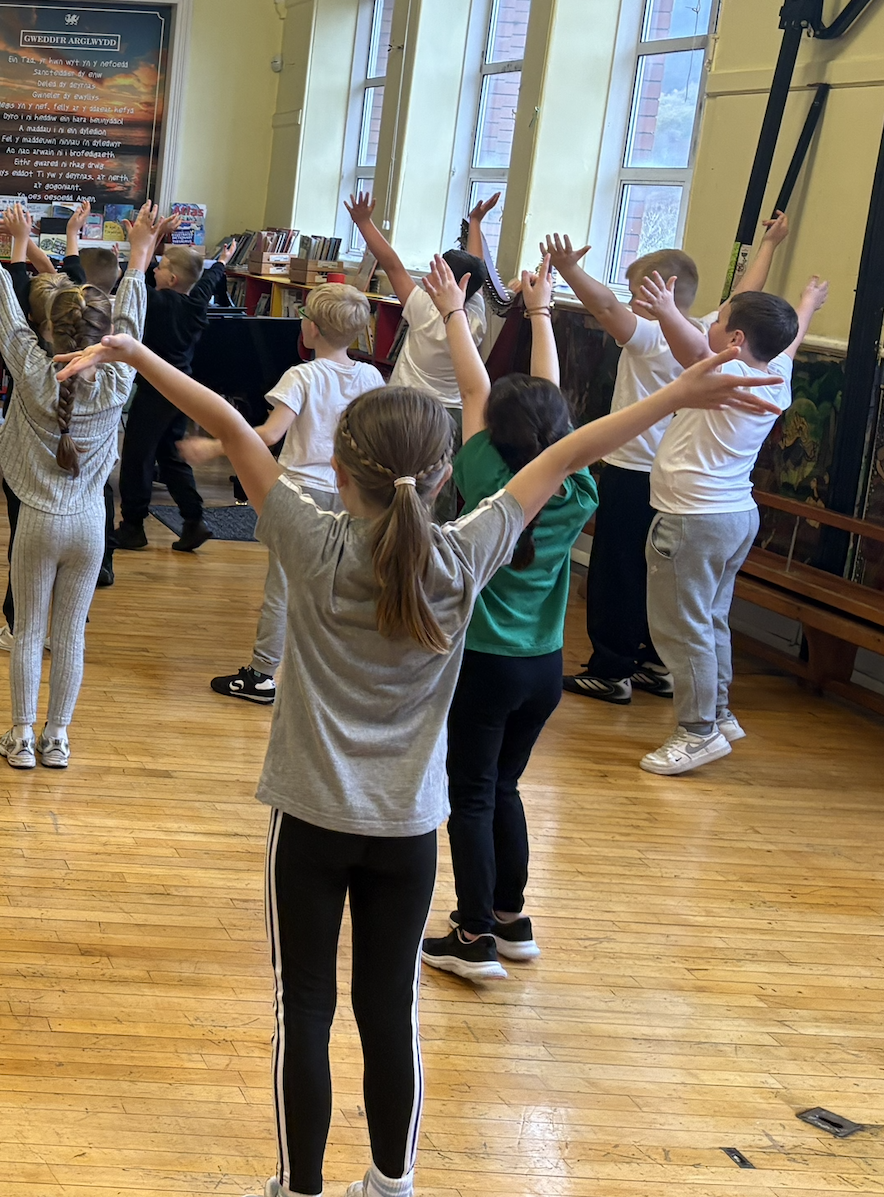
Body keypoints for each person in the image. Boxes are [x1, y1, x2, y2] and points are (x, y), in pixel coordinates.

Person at [54, 324, 780, 1197]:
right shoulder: (465, 551)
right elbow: (569, 451)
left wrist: (134, 355)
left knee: (305, 1014)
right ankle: (393, 1184)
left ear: (342, 471)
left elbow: (229, 423)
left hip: (311, 823)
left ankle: (300, 1190)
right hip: (406, 831)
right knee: (390, 1012)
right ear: (444, 474)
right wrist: (676, 394)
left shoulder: (309, 541)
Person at [416, 254, 596, 983]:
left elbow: (470, 383)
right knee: (507, 788)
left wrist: (455, 310)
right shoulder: (576, 481)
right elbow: (546, 399)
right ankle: (512, 918)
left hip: (483, 664)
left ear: (496, 430)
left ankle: (473, 933)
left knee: (473, 795)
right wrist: (542, 308)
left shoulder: (485, 470)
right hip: (544, 667)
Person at [541, 214, 791, 704]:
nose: (632, 298)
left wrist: (570, 271)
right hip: (677, 485)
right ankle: (656, 665)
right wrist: (769, 244)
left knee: (617, 573)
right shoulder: (712, 338)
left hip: (634, 470)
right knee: (660, 578)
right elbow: (743, 294)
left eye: (640, 290)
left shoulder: (653, 336)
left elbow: (606, 305)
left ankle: (612, 670)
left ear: (659, 291)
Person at [0, 196, 157, 767]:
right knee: (70, 636)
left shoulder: (30, 369)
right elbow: (130, 326)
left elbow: (2, 307)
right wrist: (139, 258)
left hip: (38, 522)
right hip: (91, 525)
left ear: (47, 330)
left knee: (29, 632)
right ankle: (58, 739)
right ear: (105, 337)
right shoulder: (120, 378)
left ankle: (21, 736)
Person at [631, 267, 823, 774]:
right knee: (710, 618)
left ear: (736, 339)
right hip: (734, 516)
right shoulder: (776, 370)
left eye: (718, 321)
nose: (710, 324)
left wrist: (668, 311)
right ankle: (717, 713)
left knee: (682, 628)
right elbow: (793, 336)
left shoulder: (730, 373)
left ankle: (697, 732)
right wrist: (805, 303)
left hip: (694, 520)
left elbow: (693, 352)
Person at [195, 283, 383, 705]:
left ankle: (262, 674)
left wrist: (217, 444)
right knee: (340, 584)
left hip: (300, 495)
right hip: (352, 495)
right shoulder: (370, 376)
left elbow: (270, 434)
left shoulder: (302, 375)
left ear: (311, 330)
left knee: (283, 587)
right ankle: (337, 674)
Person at [345, 190, 492, 520]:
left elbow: (392, 263)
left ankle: (386, 527)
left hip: (407, 405)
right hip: (452, 415)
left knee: (393, 472)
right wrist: (477, 225)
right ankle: (430, 543)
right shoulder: (475, 317)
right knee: (436, 486)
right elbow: (474, 272)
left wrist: (364, 222)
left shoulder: (422, 307)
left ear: (438, 276)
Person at [115, 238, 230, 553]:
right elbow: (206, 282)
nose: (156, 269)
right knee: (171, 454)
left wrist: (131, 261)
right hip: (183, 391)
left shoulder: (157, 302)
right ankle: (194, 521)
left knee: (138, 456)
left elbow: (133, 290)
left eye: (162, 266)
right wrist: (221, 263)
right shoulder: (196, 304)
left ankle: (133, 526)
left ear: (173, 279)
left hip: (156, 390)